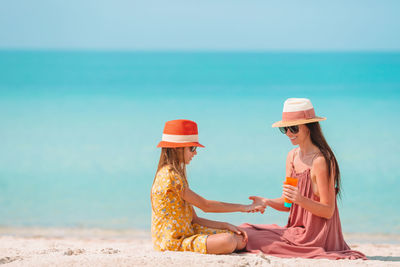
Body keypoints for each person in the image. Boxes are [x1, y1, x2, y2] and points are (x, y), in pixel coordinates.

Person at [240, 98, 367, 260]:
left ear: (309, 127)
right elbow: (288, 204)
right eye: (285, 129)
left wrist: (300, 199)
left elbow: (328, 211)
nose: (288, 133)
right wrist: (267, 201)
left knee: (249, 237)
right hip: (296, 231)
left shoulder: (320, 161)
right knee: (244, 229)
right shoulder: (292, 157)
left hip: (314, 237)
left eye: (293, 128)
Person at [151, 119, 264, 255]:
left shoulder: (175, 174)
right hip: (174, 241)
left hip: (187, 232)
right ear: (177, 148)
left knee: (239, 238)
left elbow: (195, 220)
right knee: (229, 240)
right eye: (192, 148)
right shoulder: (170, 176)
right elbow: (206, 206)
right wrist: (244, 207)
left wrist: (225, 225)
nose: (195, 153)